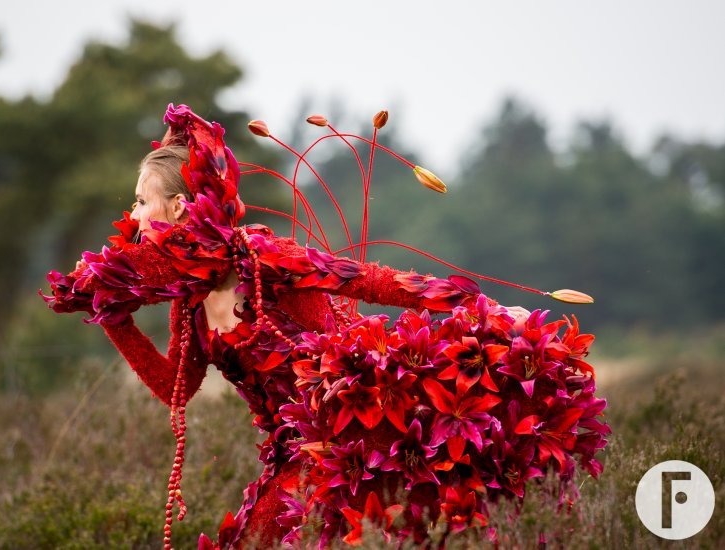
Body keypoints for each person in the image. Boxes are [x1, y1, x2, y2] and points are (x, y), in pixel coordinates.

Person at [41, 104, 609, 548]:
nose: (134, 216)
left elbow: (366, 281)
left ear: (182, 208)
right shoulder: (186, 303)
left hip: (362, 434)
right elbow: (177, 390)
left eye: (142, 202)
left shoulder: (264, 260)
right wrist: (113, 318)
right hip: (294, 454)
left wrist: (473, 302)